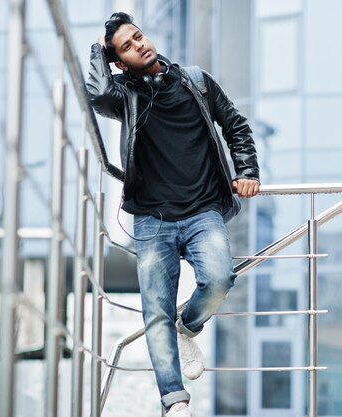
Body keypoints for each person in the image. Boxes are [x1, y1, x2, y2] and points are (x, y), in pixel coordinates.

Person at [86, 12, 259, 417]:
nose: (139, 45)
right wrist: (99, 47)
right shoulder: (124, 97)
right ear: (119, 62)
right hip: (150, 218)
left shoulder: (197, 81)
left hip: (202, 211)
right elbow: (95, 94)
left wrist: (247, 172)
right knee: (156, 311)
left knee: (219, 278)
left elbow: (236, 127)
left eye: (138, 37)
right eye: (126, 46)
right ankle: (174, 401)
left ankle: (190, 327)